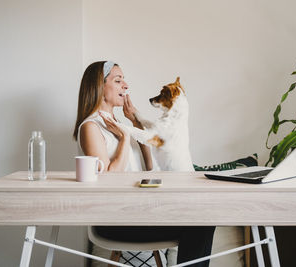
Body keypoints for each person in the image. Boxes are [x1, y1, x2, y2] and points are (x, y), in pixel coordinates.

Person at [73, 61, 215, 267]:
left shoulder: (119, 126)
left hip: (139, 212)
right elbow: (107, 181)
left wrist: (135, 125)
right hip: (116, 221)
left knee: (205, 217)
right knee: (200, 225)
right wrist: (124, 137)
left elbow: (149, 169)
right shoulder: (91, 127)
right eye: (118, 80)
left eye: (124, 80)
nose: (125, 85)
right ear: (99, 86)